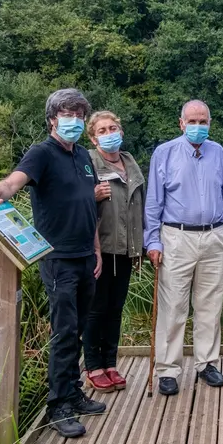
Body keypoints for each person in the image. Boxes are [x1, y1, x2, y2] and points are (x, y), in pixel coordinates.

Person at [0, 88, 106, 439]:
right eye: (67, 114)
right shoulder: (41, 153)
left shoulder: (82, 155)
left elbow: (88, 207)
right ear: (52, 119)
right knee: (63, 332)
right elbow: (14, 181)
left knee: (77, 329)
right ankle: (58, 405)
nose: (74, 121)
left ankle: (74, 392)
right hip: (57, 257)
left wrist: (96, 249)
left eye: (79, 115)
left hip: (84, 255)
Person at [145, 100, 223, 396]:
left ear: (210, 123)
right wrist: (153, 241)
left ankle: (206, 363)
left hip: (215, 236)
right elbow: (153, 202)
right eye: (193, 121)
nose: (199, 126)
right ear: (181, 123)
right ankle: (168, 369)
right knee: (173, 307)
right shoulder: (165, 153)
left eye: (203, 121)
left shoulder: (218, 152)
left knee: (210, 305)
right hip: (176, 236)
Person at [84, 110, 146, 392]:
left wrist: (143, 246)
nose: (109, 134)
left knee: (115, 309)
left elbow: (141, 204)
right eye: (102, 131)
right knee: (96, 310)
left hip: (126, 248)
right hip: (101, 247)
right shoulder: (88, 162)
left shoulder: (130, 161)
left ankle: (111, 363)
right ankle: (93, 366)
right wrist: (90, 194)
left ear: (121, 131)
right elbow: (77, 200)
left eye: (113, 128)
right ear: (94, 138)